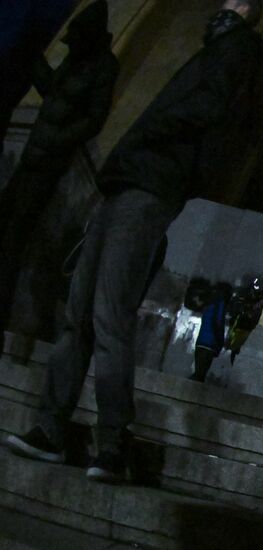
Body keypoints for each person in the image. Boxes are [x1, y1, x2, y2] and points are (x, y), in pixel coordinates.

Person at [5, 0, 263, 482]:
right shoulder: (216, 51)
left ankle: (112, 441)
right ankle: (50, 430)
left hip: (149, 186)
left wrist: (151, 136)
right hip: (128, 182)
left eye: (231, 2)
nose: (219, 8)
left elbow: (210, 110)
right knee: (77, 313)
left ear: (246, 10)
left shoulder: (240, 48)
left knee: (108, 314)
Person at [0, 0, 118, 350]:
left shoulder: (102, 67)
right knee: (4, 228)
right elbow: (54, 92)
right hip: (34, 159)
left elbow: (94, 118)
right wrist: (32, 55)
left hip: (47, 163)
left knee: (13, 242)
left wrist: (56, 143)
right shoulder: (77, 61)